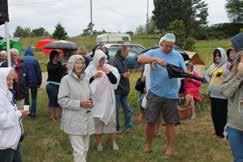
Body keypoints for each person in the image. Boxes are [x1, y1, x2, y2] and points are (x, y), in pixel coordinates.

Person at [137, 33, 186, 156]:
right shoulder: (154, 52)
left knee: (170, 122)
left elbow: (184, 71)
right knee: (150, 121)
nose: (169, 48)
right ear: (162, 43)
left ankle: (169, 148)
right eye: (167, 46)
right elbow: (139, 58)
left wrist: (181, 72)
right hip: (155, 93)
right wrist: (154, 59)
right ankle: (148, 144)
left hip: (171, 95)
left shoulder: (178, 56)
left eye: (171, 46)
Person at [58, 55, 95, 162]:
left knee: (85, 149)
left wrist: (91, 102)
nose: (80, 65)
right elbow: (61, 100)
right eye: (77, 63)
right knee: (79, 151)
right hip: (73, 120)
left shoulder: (86, 79)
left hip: (86, 119)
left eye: (82, 63)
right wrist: (79, 103)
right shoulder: (66, 80)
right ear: (71, 64)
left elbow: (89, 96)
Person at [85, 49, 120, 151]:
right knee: (97, 124)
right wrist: (94, 77)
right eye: (100, 60)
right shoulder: (90, 70)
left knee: (111, 122)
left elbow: (115, 82)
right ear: (95, 60)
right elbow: (85, 83)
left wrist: (107, 72)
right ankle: (99, 143)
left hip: (108, 100)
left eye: (103, 60)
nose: (102, 62)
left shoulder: (109, 68)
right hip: (96, 101)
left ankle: (113, 142)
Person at [220, 33, 243, 162]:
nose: (232, 54)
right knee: (239, 159)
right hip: (235, 125)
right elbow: (225, 92)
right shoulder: (235, 69)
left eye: (235, 50)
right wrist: (239, 76)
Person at [0, 67, 29, 162]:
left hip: (13, 141)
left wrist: (20, 114)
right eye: (8, 79)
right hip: (4, 144)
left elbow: (10, 113)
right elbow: (1, 120)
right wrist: (18, 113)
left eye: (11, 79)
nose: (11, 82)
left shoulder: (7, 93)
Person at [204, 48, 230, 138]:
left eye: (218, 55)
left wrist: (224, 84)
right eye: (215, 56)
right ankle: (217, 132)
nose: (217, 57)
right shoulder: (212, 66)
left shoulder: (227, 65)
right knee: (214, 115)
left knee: (222, 115)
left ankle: (224, 133)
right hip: (213, 95)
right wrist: (210, 80)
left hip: (223, 96)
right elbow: (206, 74)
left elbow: (231, 77)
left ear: (222, 55)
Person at [111, 45, 133, 133]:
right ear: (122, 52)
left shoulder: (125, 60)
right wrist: (122, 75)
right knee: (115, 110)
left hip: (124, 90)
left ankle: (128, 126)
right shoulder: (113, 61)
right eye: (127, 51)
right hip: (117, 90)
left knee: (127, 109)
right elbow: (111, 76)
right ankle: (116, 129)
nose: (128, 53)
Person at [22, 46, 42, 119]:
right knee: (34, 98)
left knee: (26, 98)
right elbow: (38, 72)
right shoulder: (35, 60)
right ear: (31, 52)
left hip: (24, 82)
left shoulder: (22, 59)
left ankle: (26, 113)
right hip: (34, 82)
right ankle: (33, 113)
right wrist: (39, 82)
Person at [46, 50, 65, 121]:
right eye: (56, 56)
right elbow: (53, 70)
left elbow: (61, 73)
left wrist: (63, 67)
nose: (57, 57)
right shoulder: (49, 64)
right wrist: (61, 66)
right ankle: (52, 116)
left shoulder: (59, 63)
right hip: (51, 85)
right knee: (52, 100)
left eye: (58, 56)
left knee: (57, 100)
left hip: (58, 84)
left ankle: (56, 115)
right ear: (52, 56)